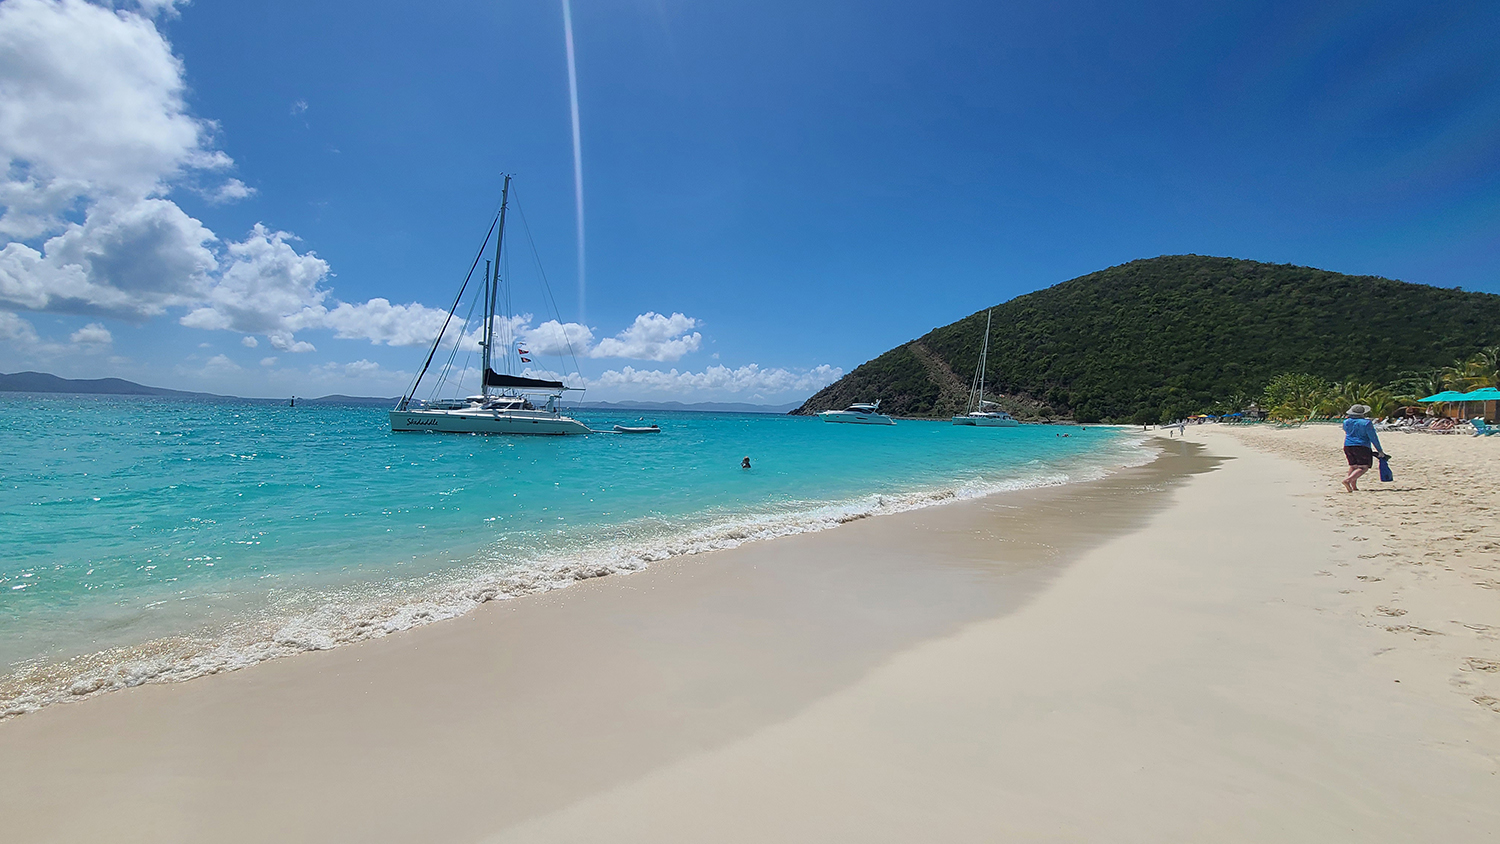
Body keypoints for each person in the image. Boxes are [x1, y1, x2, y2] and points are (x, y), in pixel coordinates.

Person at [1342, 404, 1385, 492]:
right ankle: (1348, 480)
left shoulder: (1346, 422)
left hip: (1348, 445)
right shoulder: (1366, 423)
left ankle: (1353, 486)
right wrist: (1379, 450)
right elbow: (1373, 437)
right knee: (1363, 467)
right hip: (1362, 446)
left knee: (1353, 466)